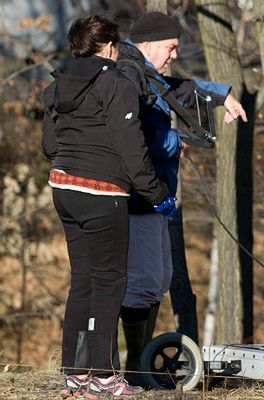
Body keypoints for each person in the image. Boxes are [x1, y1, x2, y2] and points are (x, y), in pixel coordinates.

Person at [42, 15, 176, 398]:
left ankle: (76, 375)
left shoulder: (55, 86)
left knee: (82, 280)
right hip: (103, 193)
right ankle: (103, 377)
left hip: (64, 189)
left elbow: (50, 147)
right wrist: (157, 195)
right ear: (111, 46)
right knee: (110, 282)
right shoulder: (116, 82)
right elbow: (132, 151)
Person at [114, 11, 247, 383]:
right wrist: (176, 142)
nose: (174, 55)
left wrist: (224, 94)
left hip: (156, 196)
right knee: (142, 281)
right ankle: (132, 371)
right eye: (170, 48)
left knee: (160, 279)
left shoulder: (146, 73)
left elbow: (176, 89)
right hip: (139, 197)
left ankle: (138, 366)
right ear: (148, 44)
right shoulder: (129, 75)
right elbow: (130, 137)